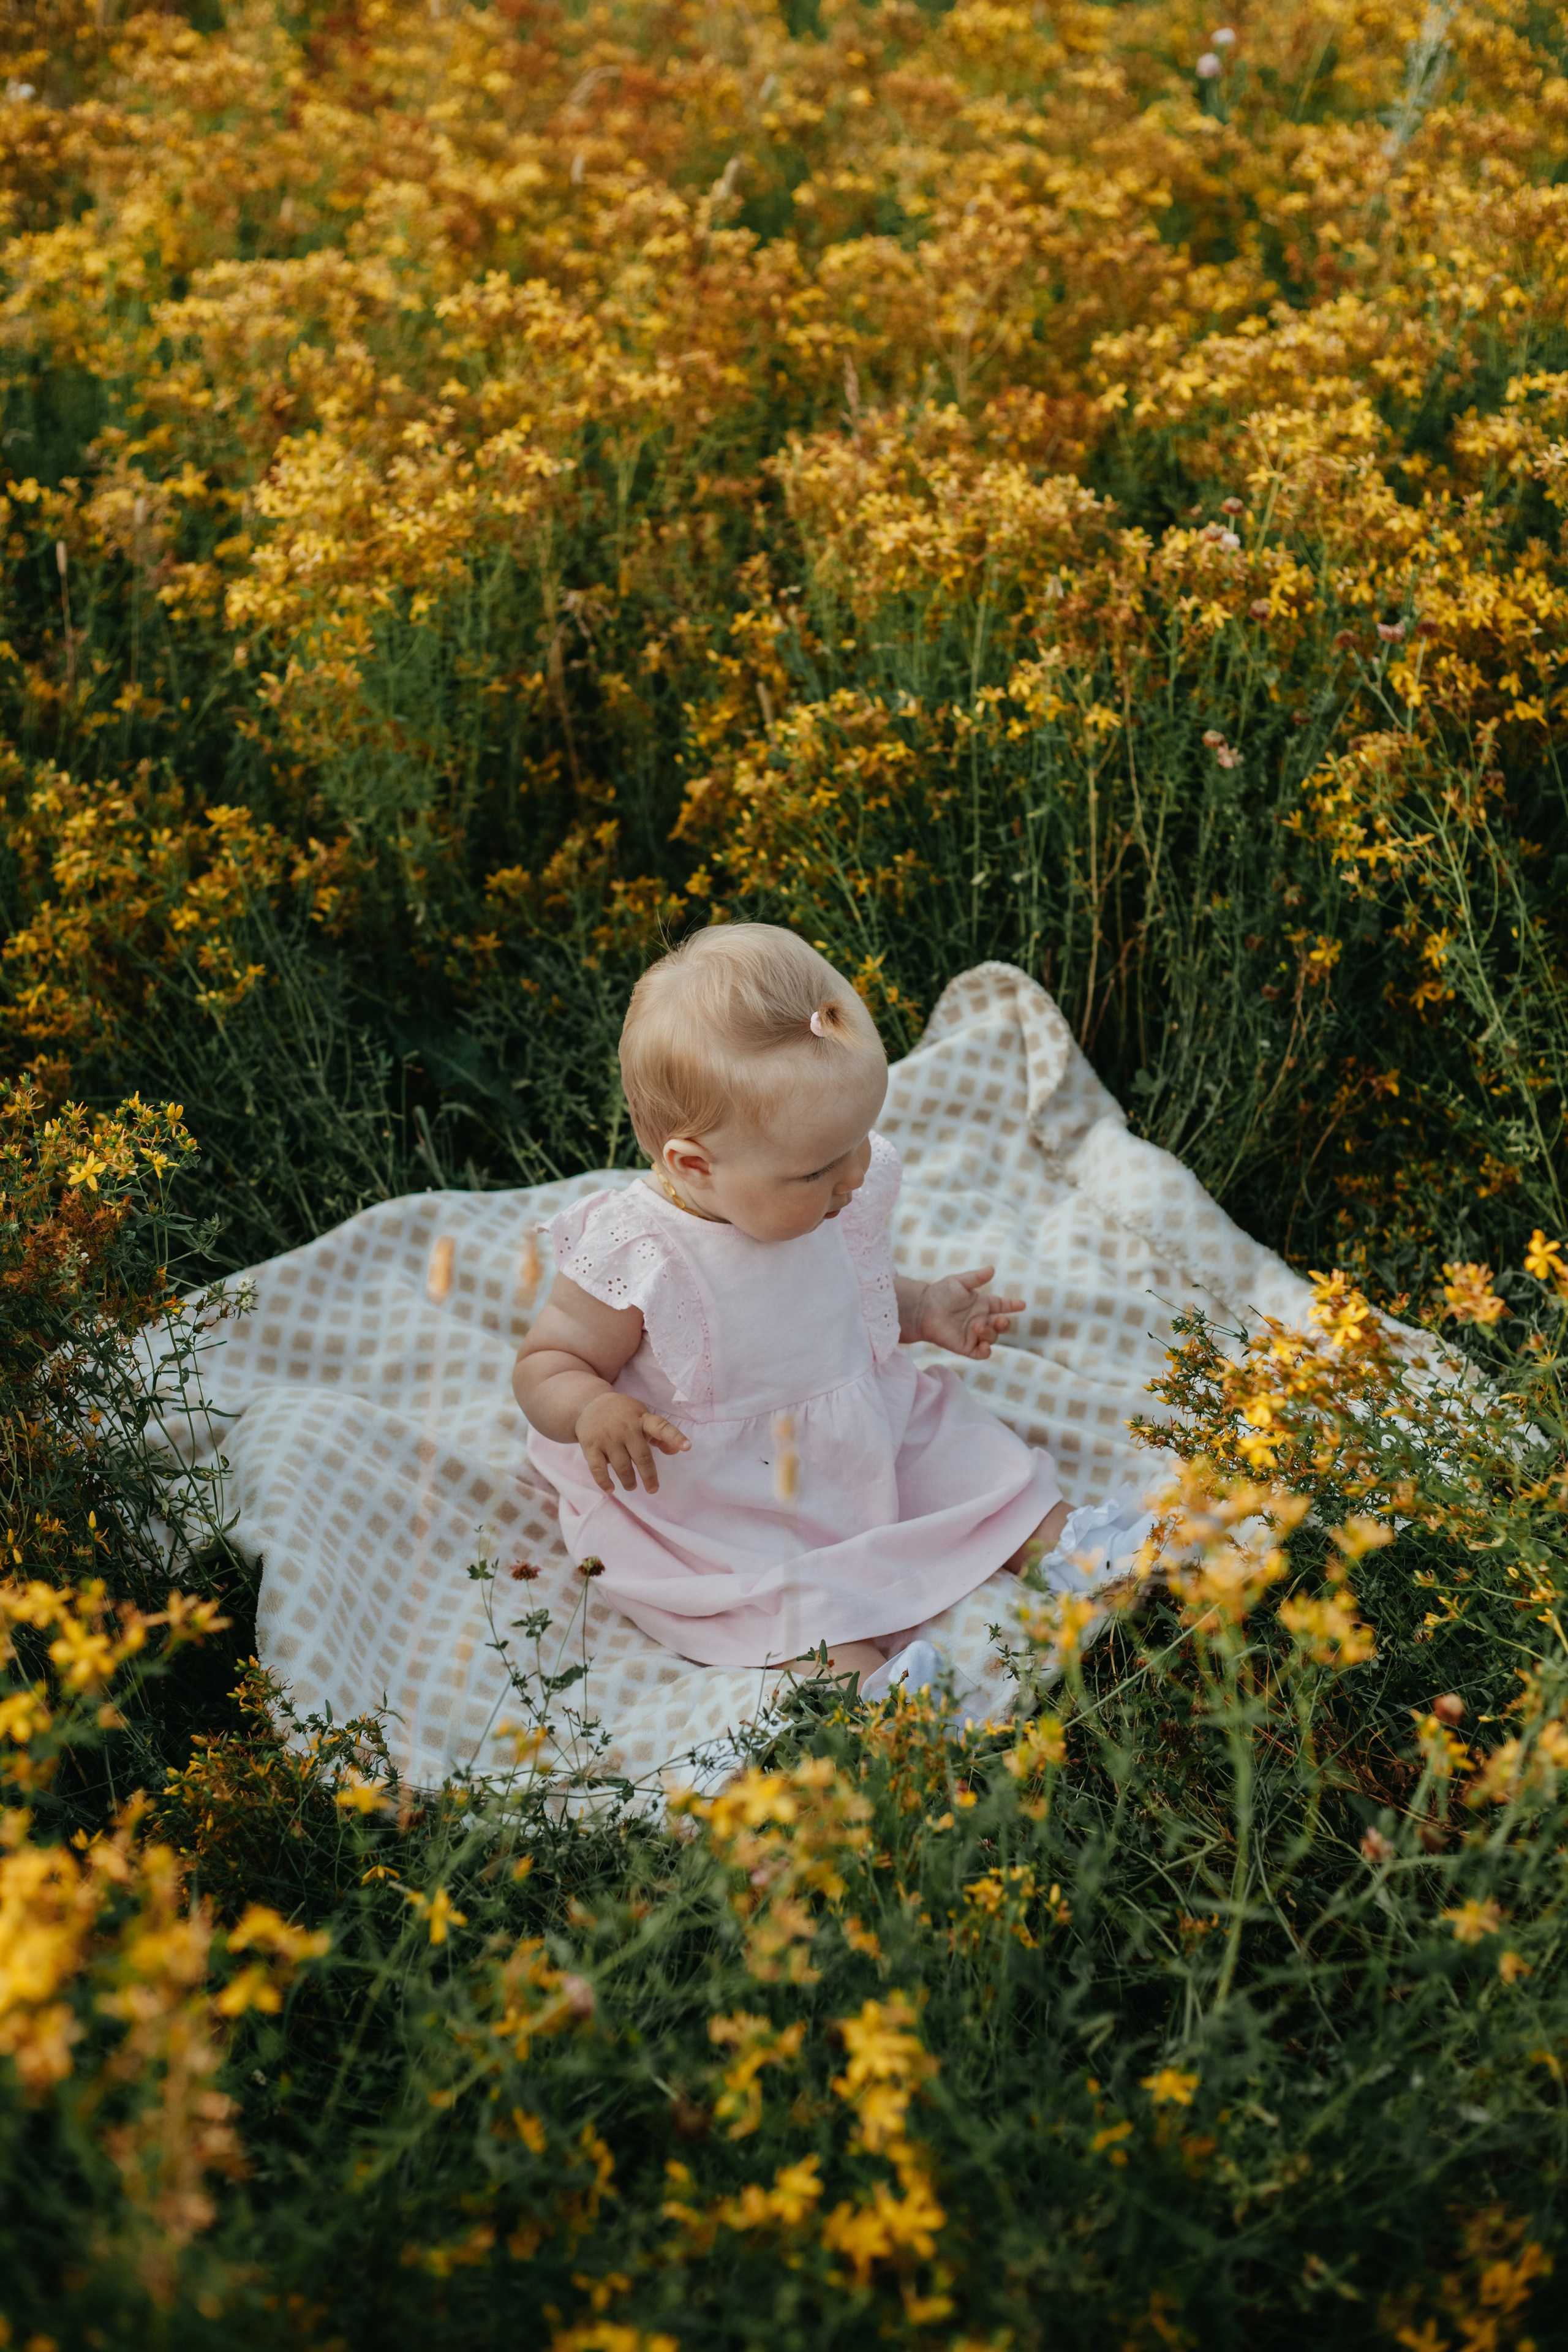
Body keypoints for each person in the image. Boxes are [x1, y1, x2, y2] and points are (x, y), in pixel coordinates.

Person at [512, 924, 1069, 1678]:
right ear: (694, 1166)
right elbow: (549, 1360)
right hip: (729, 1492)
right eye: (817, 1171)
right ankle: (871, 1694)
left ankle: (1081, 1554)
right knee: (785, 1608)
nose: (853, 1177)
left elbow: (843, 1292)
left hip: (867, 1433)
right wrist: (589, 1409)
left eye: (860, 1142)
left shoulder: (831, 1192)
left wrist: (917, 1309)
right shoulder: (641, 1252)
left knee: (982, 1474)